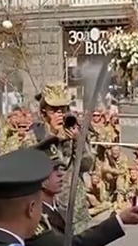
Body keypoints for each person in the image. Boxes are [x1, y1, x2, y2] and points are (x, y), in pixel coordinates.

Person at [32, 83, 93, 235]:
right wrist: (54, 138)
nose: (60, 114)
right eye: (54, 110)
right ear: (43, 112)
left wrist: (79, 141)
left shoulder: (73, 132)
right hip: (47, 208)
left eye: (63, 110)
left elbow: (86, 165)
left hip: (75, 206)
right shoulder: (35, 136)